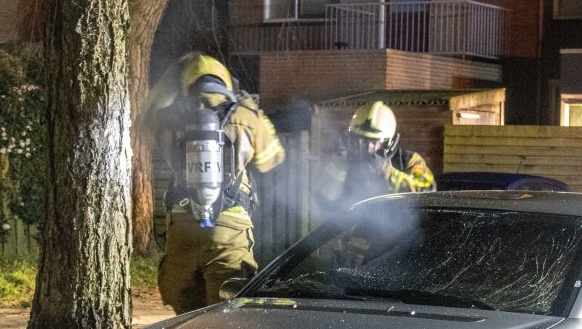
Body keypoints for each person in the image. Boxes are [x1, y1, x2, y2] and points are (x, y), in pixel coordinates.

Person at [148, 52, 285, 314]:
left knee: (186, 321)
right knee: (228, 317)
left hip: (182, 231)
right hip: (229, 230)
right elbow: (273, 159)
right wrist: (253, 112)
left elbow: (146, 119)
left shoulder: (169, 117)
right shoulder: (245, 115)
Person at [318, 100, 435, 211]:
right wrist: (339, 166)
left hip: (401, 230)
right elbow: (325, 203)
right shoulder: (345, 162)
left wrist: (386, 171)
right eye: (362, 141)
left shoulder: (410, 160)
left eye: (374, 142)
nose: (368, 148)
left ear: (389, 142)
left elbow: (428, 191)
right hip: (356, 229)